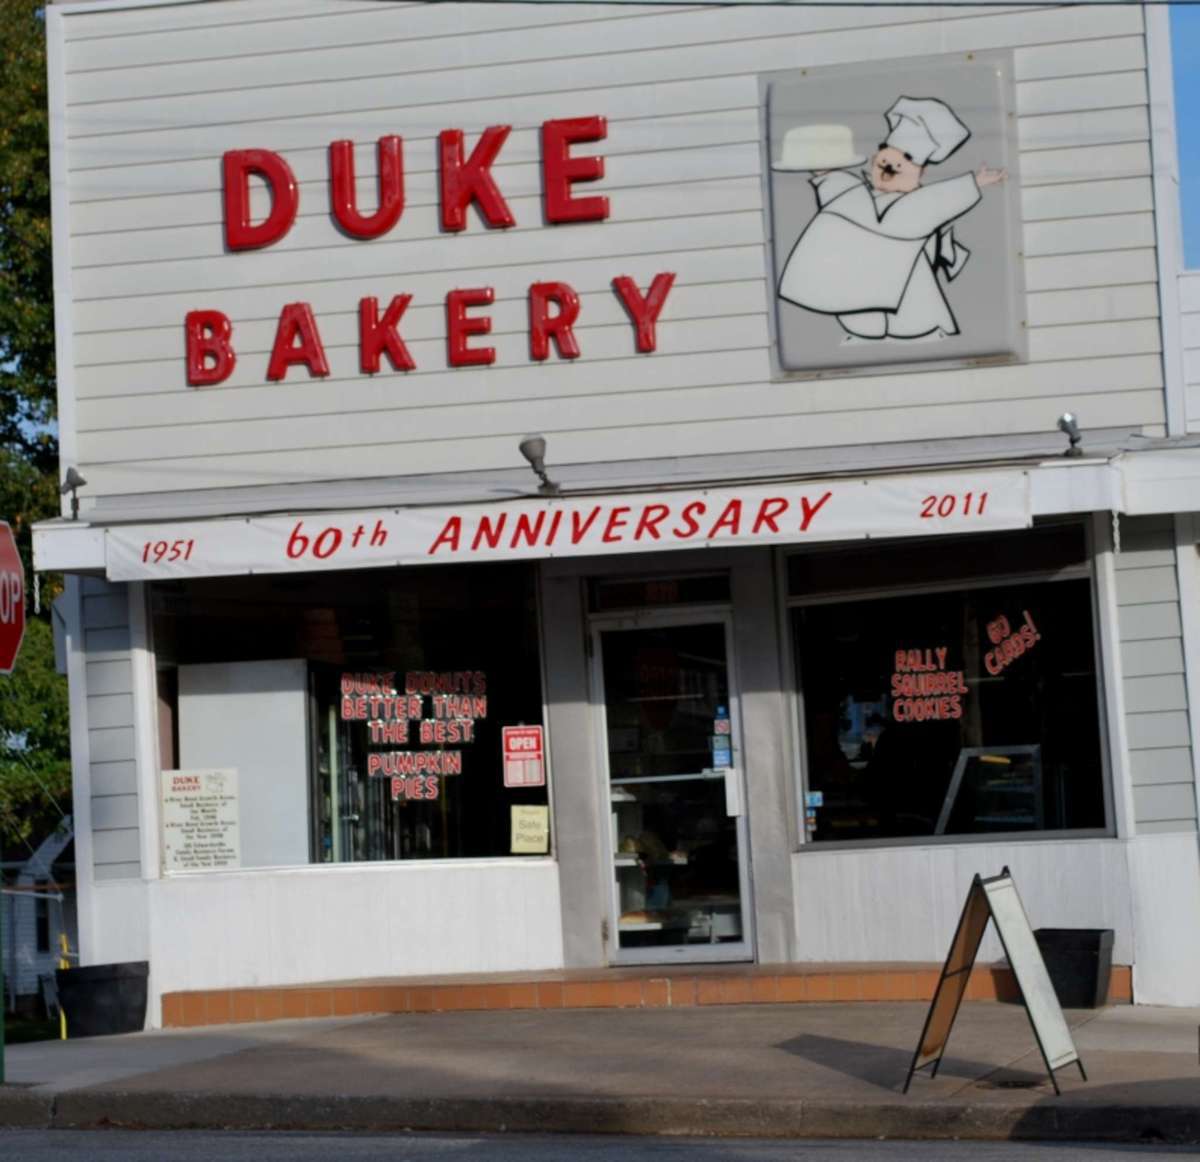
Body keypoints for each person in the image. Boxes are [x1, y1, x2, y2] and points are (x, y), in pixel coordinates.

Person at [777, 97, 1006, 342]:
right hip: (858, 299)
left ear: (921, 171)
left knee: (911, 315)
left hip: (911, 315)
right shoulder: (856, 196)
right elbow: (838, 186)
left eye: (906, 158)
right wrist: (822, 167)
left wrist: (975, 182)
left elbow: (936, 201)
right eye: (885, 156)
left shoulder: (914, 206)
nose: (890, 165)